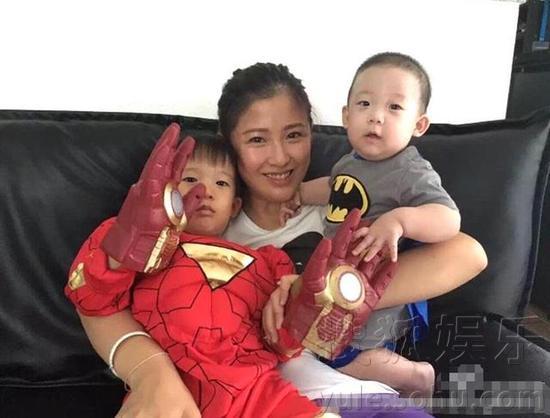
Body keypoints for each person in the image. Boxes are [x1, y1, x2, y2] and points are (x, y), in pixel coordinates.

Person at [71, 62, 487, 418]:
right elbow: (98, 300)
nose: (280, 157)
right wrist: (151, 372)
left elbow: (469, 254)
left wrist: (321, 295)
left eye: (294, 135)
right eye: (257, 139)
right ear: (230, 145)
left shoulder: (341, 209)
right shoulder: (201, 230)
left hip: (333, 379)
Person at [65, 132, 323, 418]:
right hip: (169, 388)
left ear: (235, 206)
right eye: (190, 179)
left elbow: (282, 341)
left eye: (221, 183)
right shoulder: (145, 240)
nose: (205, 191)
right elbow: (93, 297)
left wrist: (306, 302)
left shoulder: (267, 261)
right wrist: (129, 238)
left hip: (256, 391)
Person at [281, 52, 460, 397]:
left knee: (341, 352)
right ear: (346, 116)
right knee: (321, 343)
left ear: (419, 125)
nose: (376, 116)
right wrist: (299, 193)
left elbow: (448, 218)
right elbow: (334, 188)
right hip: (340, 280)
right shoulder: (350, 162)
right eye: (364, 104)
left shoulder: (409, 171)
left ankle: (417, 376)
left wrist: (400, 220)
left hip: (377, 288)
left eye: (394, 107)